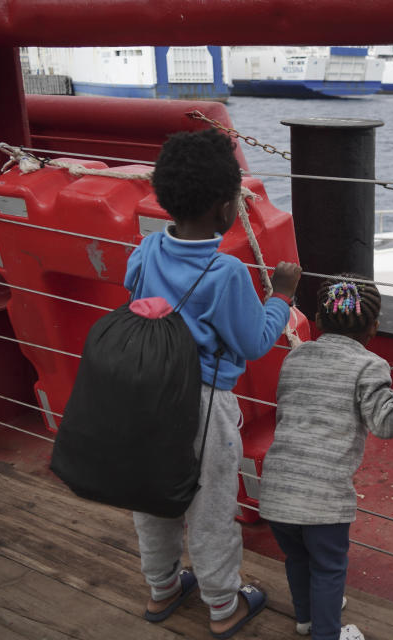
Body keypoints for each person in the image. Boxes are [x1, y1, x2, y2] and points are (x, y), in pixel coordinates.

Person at [125, 128, 302, 639]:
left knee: (153, 498)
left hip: (145, 394)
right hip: (203, 406)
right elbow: (253, 343)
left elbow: (134, 293)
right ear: (228, 208)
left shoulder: (145, 249)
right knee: (211, 507)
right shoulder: (225, 272)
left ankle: (162, 588)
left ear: (164, 198)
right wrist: (282, 296)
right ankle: (224, 605)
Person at [260, 274, 393, 640]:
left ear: (317, 318)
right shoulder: (370, 365)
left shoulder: (296, 356)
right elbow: (384, 421)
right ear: (375, 328)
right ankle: (327, 633)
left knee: (299, 560)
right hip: (324, 500)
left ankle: (306, 618)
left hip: (277, 488)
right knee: (330, 569)